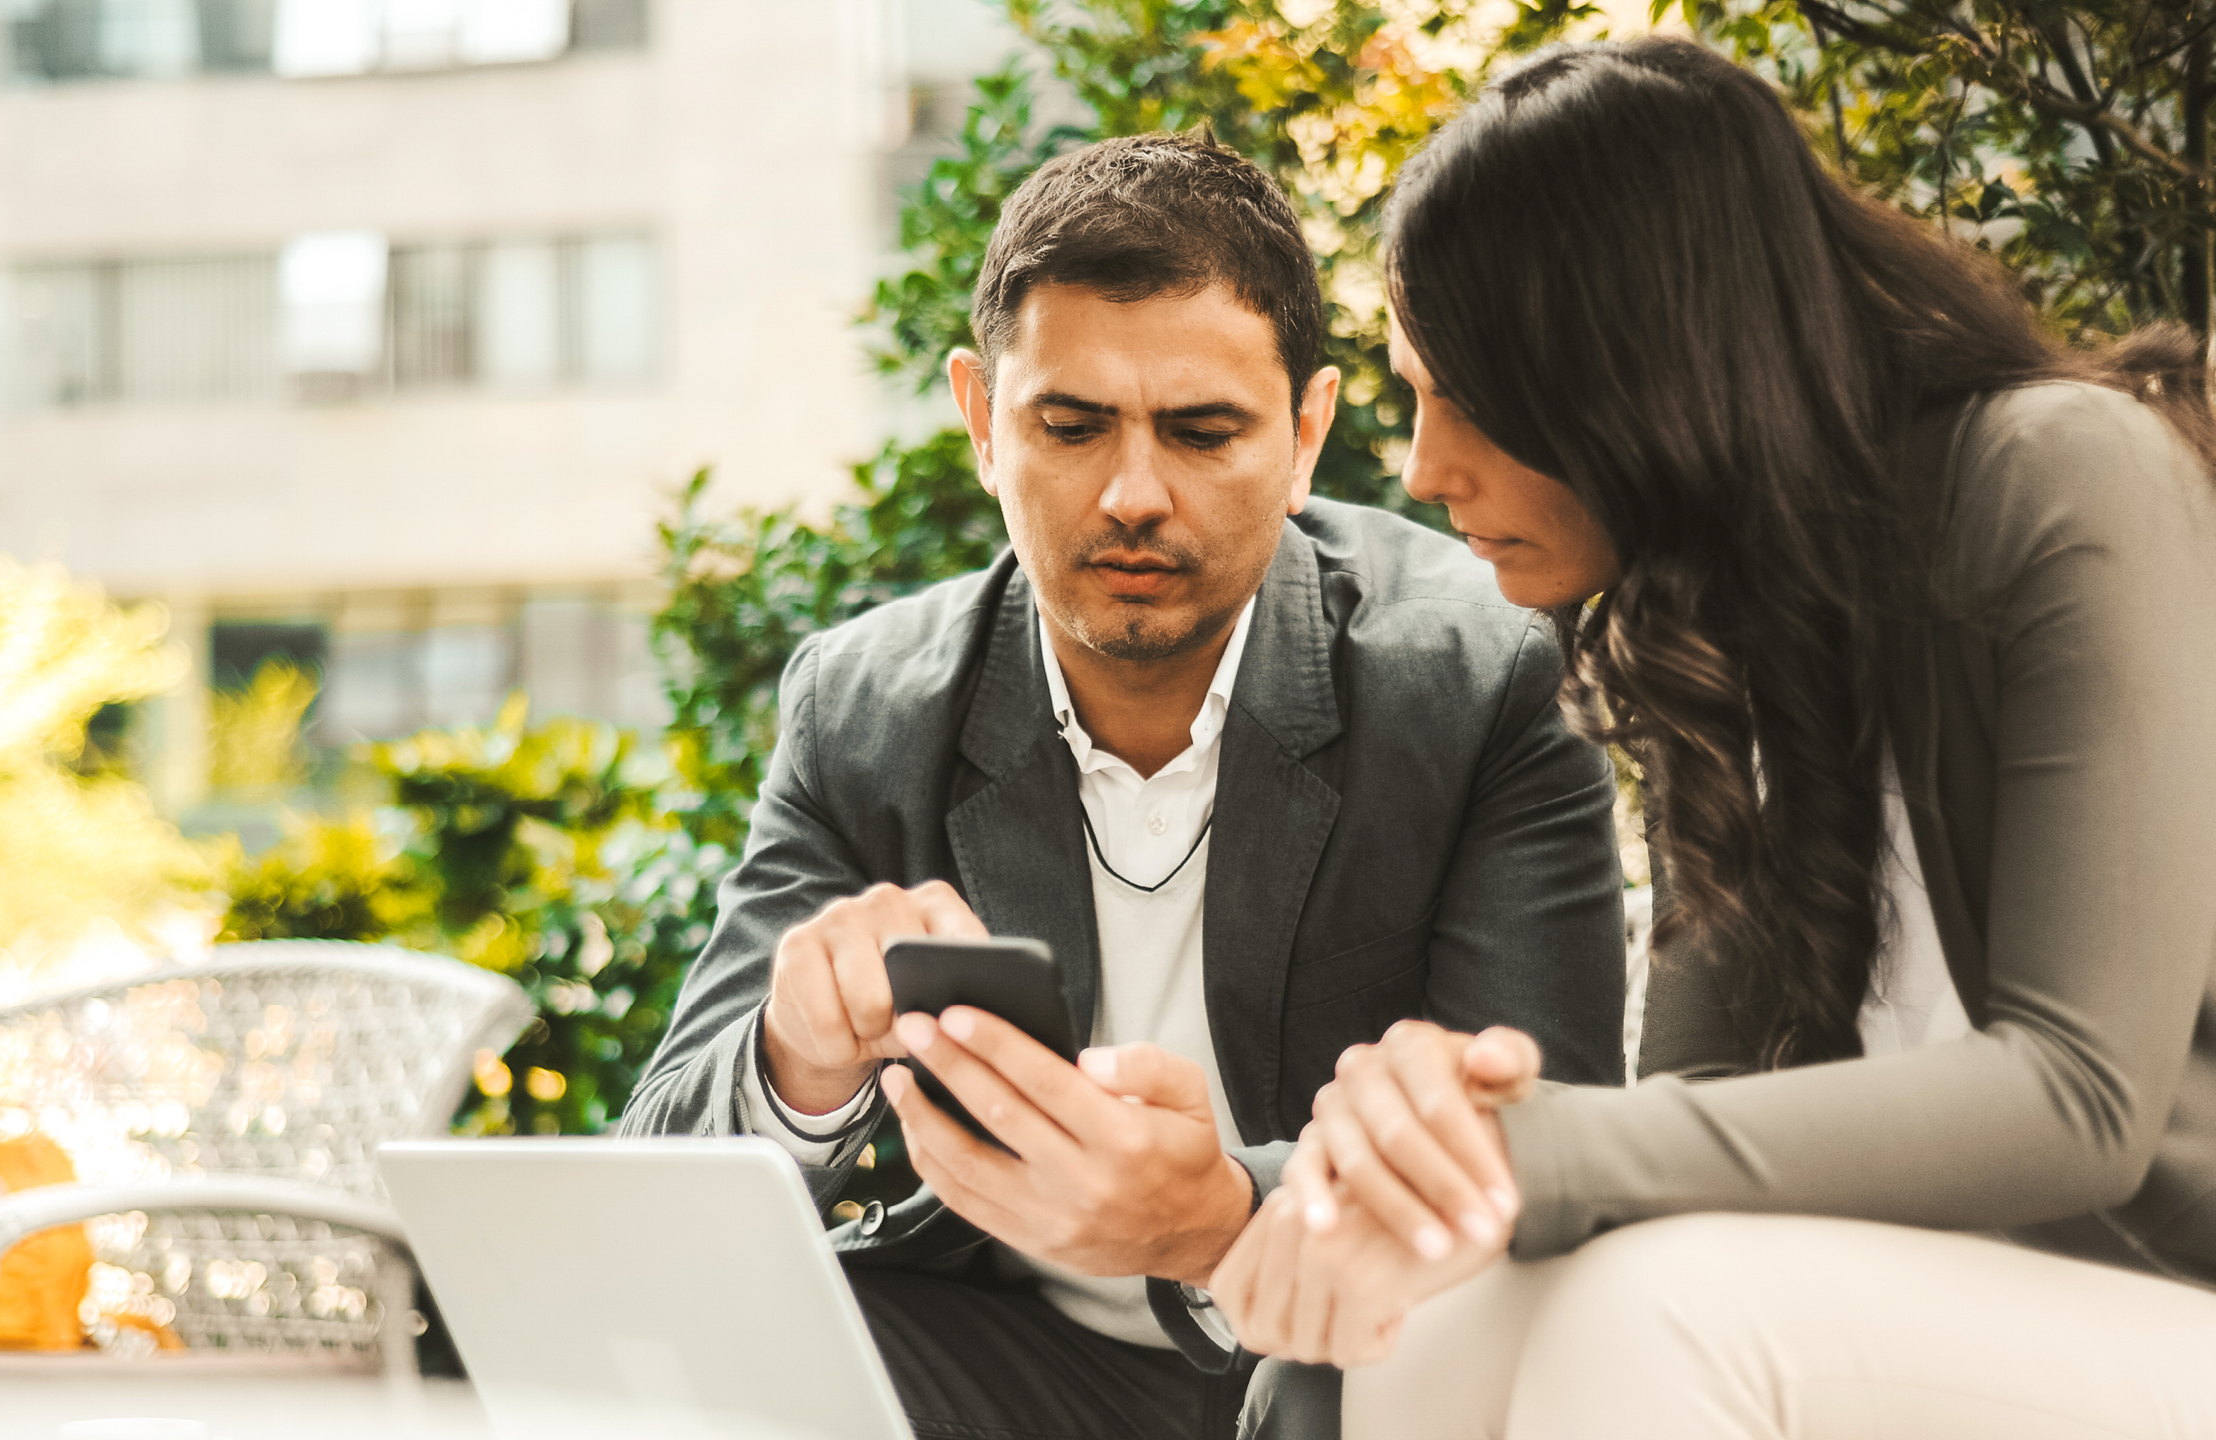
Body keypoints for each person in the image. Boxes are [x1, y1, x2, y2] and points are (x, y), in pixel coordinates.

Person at [1201, 35, 2216, 1438]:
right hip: (1925, 1296)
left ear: (1636, 366)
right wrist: (1421, 1161)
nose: (1427, 469)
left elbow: (2081, 1096)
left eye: (1468, 397)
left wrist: (1530, 1150)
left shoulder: (2061, 476)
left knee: (1653, 1316)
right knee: (1424, 1335)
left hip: (2169, 1285)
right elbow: (1693, 1119)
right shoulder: (1717, 626)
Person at [613, 131, 1630, 1440]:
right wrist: (798, 1058)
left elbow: (1549, 1152)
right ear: (983, 420)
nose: (1134, 495)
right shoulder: (864, 709)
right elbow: (656, 1173)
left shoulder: (1482, 677)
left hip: (1338, 1346)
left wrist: (1222, 1220)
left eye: (1203, 432)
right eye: (1071, 426)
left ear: (1308, 432)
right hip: (994, 1360)